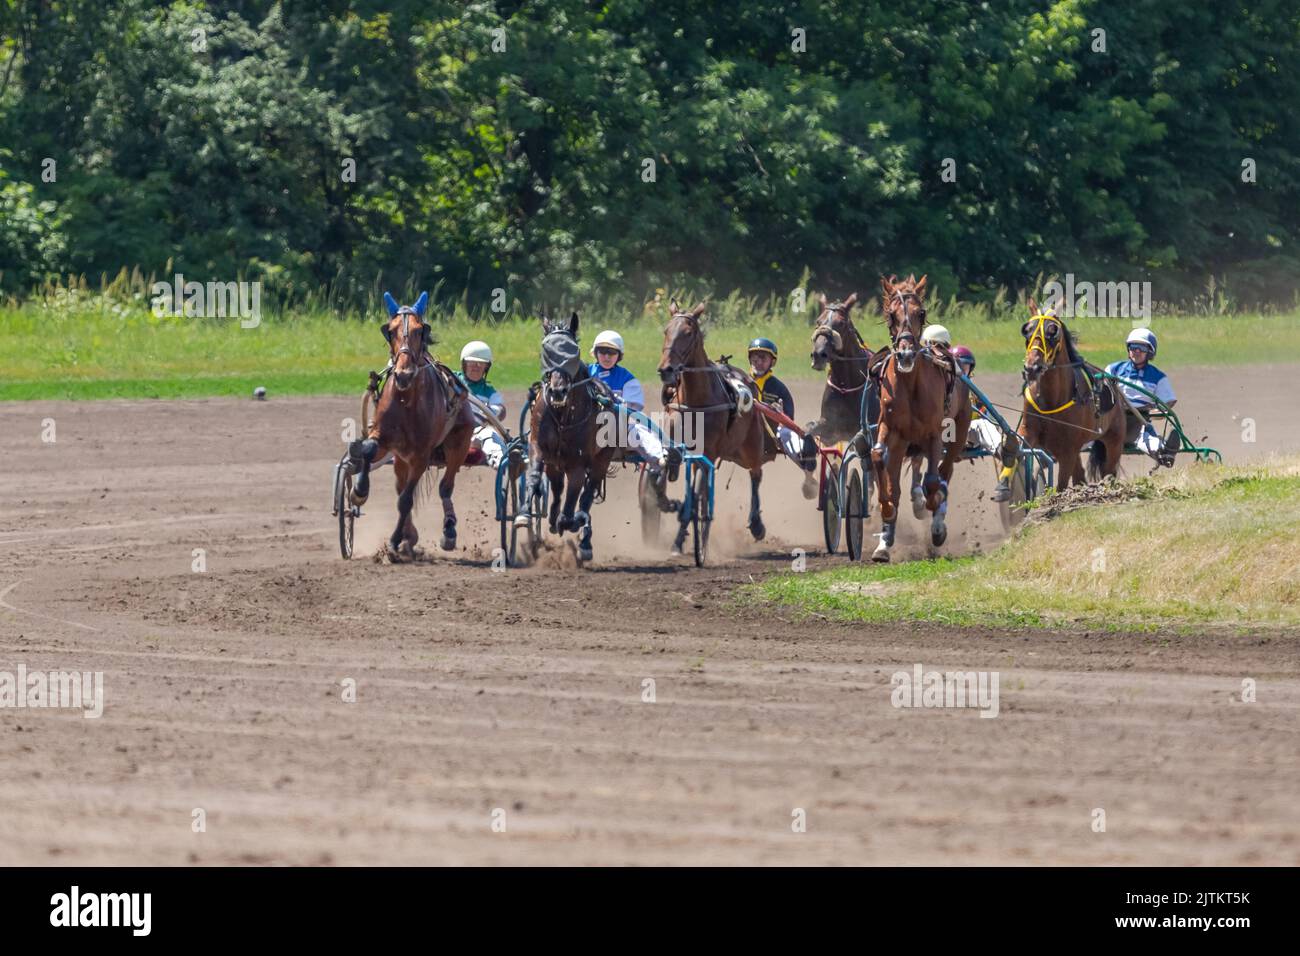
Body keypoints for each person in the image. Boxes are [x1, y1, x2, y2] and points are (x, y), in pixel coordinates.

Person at [588, 329, 678, 503]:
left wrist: (614, 402)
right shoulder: (584, 373)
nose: (606, 356)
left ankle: (661, 458)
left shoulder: (627, 379)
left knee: (638, 431)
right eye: (602, 351)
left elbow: (632, 409)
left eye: (611, 352)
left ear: (618, 355)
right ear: (595, 353)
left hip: (617, 431)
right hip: (587, 431)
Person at [748, 337, 818, 498]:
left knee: (786, 433)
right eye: (755, 357)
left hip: (774, 435)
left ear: (772, 362)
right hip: (747, 432)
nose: (758, 362)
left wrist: (779, 413)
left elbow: (789, 420)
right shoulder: (742, 382)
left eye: (763, 358)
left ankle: (808, 474)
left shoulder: (779, 388)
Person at [1105, 328, 1178, 466]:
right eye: (1133, 347)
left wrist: (1154, 411)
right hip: (1111, 421)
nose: (1136, 351)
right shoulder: (1113, 370)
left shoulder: (1158, 377)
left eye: (1141, 348)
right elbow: (1103, 394)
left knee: (1146, 439)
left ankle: (1164, 452)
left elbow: (1168, 402)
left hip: (1139, 420)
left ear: (1150, 352)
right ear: (1128, 349)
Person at [951, 345, 1013, 502]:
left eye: (964, 366)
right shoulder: (942, 387)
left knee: (982, 424)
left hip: (969, 435)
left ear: (970, 369)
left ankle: (1002, 451)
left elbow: (986, 414)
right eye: (957, 366)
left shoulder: (972, 390)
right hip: (946, 435)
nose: (961, 370)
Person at [456, 340, 508, 469]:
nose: (476, 367)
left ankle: (499, 461)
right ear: (464, 364)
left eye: (481, 364)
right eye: (472, 363)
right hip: (450, 431)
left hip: (475, 434)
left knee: (489, 434)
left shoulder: (490, 393)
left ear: (486, 367)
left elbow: (500, 409)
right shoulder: (451, 379)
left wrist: (493, 412)